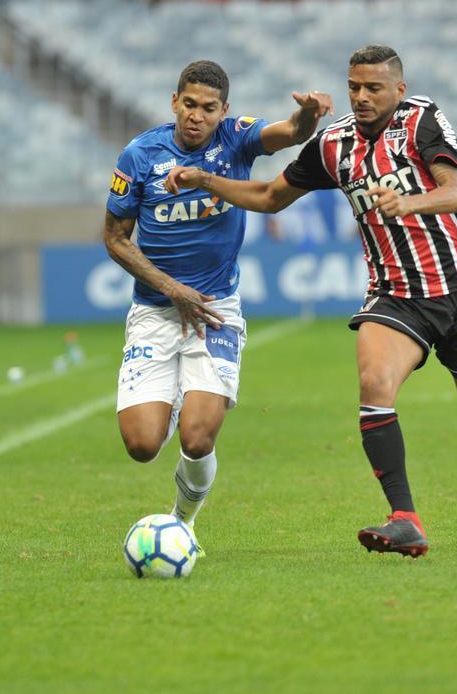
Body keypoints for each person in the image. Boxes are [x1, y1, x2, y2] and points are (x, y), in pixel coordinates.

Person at [166, 46, 457, 557]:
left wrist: (407, 200)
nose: (361, 97)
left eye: (373, 88)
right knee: (374, 384)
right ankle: (404, 517)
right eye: (354, 87)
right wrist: (207, 180)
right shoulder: (334, 145)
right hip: (394, 295)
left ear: (398, 90)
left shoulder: (421, 121)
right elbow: (271, 198)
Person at [104, 59, 333, 547]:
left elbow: (290, 132)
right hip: (156, 311)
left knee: (197, 438)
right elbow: (116, 238)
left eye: (209, 108)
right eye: (189, 104)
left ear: (223, 111)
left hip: (215, 312)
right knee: (142, 445)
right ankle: (171, 400)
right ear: (174, 102)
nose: (197, 116)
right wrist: (171, 288)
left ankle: (182, 522)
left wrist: (309, 117)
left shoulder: (236, 138)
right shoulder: (139, 156)